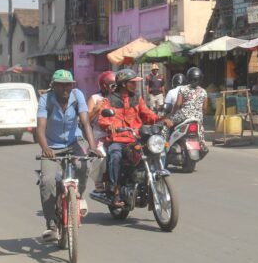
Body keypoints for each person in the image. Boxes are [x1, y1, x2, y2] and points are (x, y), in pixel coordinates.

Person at [36, 69, 98, 241]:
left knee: (84, 165)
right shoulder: (45, 99)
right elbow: (40, 129)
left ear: (72, 86)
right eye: (61, 85)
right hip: (52, 146)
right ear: (54, 86)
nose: (65, 89)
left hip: (74, 141)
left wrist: (92, 146)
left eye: (68, 85)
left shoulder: (77, 96)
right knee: (47, 181)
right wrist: (46, 148)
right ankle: (51, 223)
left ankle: (79, 195)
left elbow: (85, 123)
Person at [98, 69, 170, 207]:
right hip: (118, 139)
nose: (136, 85)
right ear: (124, 84)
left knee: (158, 150)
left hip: (136, 138)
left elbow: (147, 114)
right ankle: (116, 190)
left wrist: (161, 118)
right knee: (115, 155)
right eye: (133, 82)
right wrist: (109, 125)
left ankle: (153, 179)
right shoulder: (109, 100)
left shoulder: (137, 98)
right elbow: (103, 118)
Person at [168, 67, 209, 157]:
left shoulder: (183, 89)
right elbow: (205, 108)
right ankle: (202, 145)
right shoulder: (204, 92)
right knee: (200, 132)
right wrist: (199, 114)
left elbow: (178, 104)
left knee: (166, 124)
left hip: (183, 115)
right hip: (198, 118)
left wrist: (171, 115)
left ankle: (165, 145)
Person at [87, 71, 115, 193]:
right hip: (100, 136)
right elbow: (86, 119)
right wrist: (96, 109)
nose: (115, 88)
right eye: (113, 85)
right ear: (104, 85)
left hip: (119, 135)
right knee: (100, 156)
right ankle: (98, 181)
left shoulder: (119, 97)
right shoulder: (95, 98)